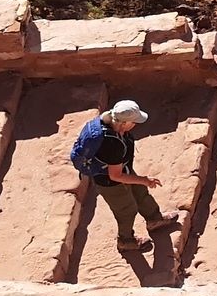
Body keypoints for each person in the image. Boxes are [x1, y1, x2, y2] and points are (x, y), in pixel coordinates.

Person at [72, 100, 178, 253]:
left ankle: (154, 219)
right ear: (124, 123)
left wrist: (140, 182)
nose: (136, 124)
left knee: (140, 192)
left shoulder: (110, 122)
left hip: (122, 169)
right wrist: (144, 180)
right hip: (108, 181)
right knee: (126, 209)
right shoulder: (112, 144)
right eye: (134, 122)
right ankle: (125, 240)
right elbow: (115, 176)